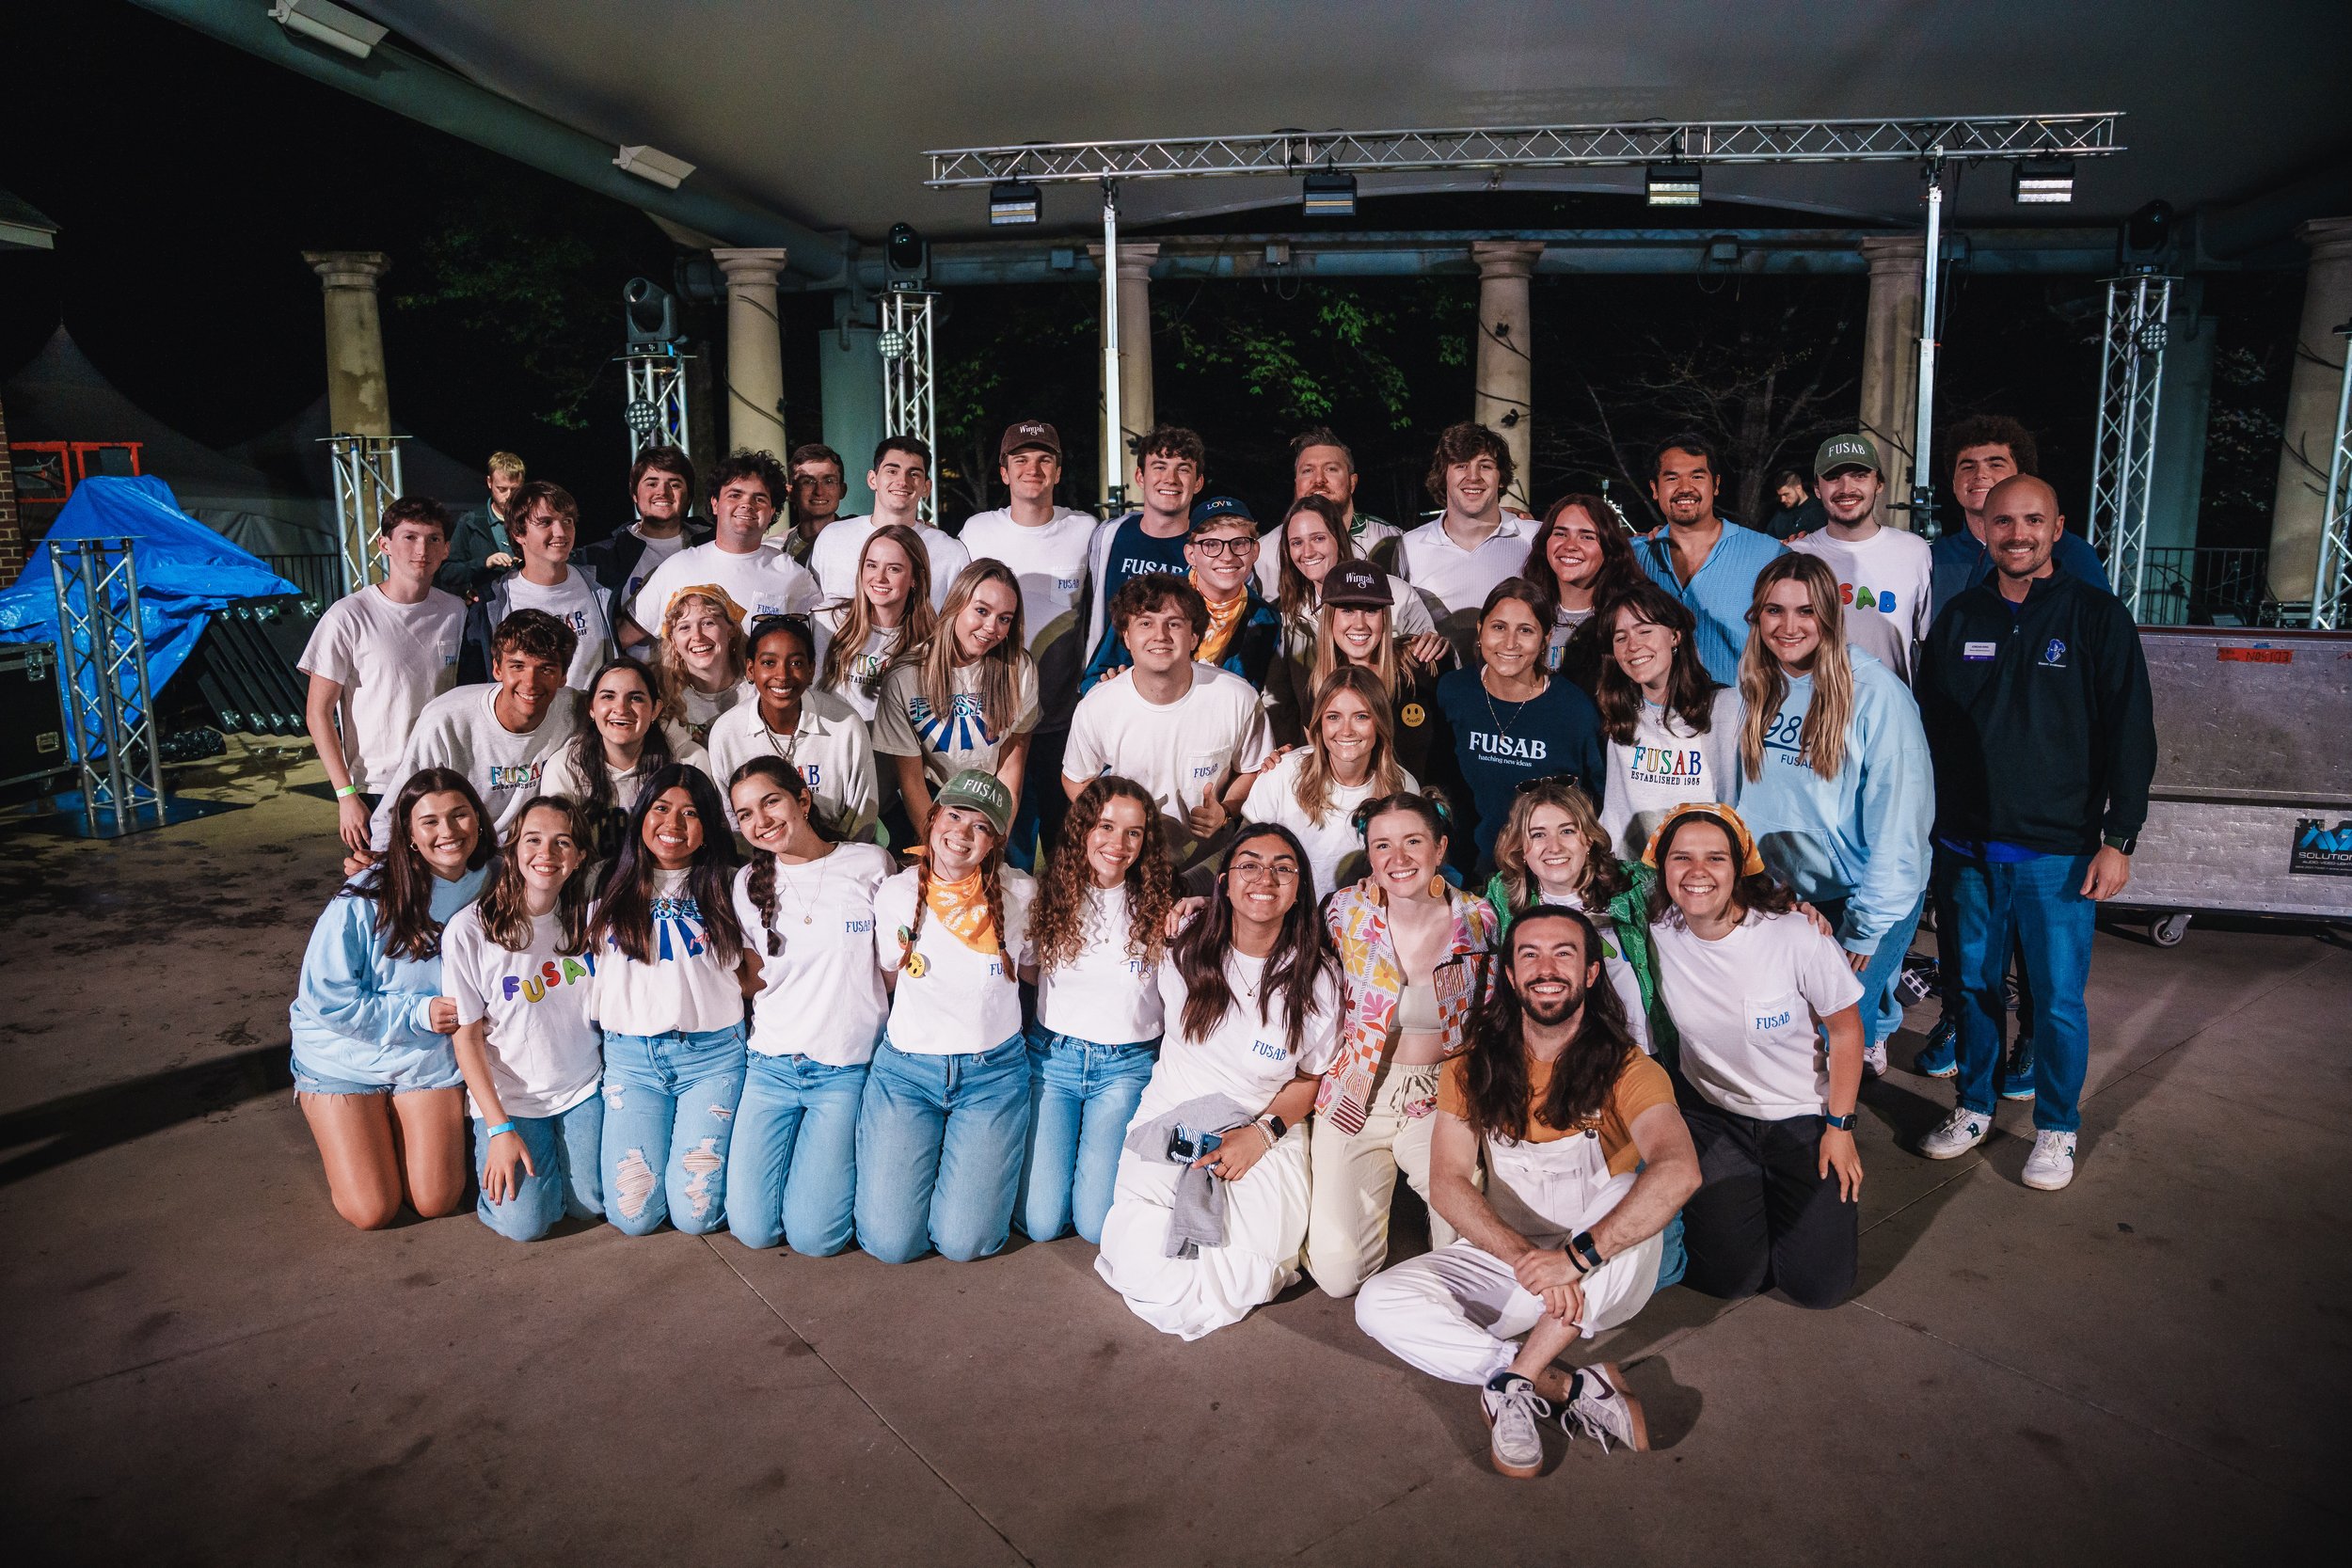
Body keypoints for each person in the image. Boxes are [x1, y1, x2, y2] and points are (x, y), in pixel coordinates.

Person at [1354, 905, 1699, 1475]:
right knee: (1377, 1303)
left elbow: (1680, 1170)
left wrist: (1575, 1258)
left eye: (1564, 953)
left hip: (1606, 1263)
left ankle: (1512, 1384)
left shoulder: (1628, 1067)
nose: (1547, 967)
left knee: (1626, 1189)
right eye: (1529, 954)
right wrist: (1529, 1261)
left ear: (1591, 973)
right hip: (1518, 1261)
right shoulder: (1471, 1066)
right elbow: (1447, 1182)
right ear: (1510, 976)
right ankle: (1559, 1382)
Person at [1915, 475, 2154, 1191]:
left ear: (2057, 527)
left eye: (2032, 520)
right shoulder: (1959, 616)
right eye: (2003, 521)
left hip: (2059, 851)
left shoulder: (2096, 615)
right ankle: (1975, 1106)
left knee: (2054, 1000)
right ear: (1983, 526)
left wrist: (2122, 836)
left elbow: (2131, 733)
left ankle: (2056, 1126)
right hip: (1966, 847)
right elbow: (1929, 731)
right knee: (1976, 989)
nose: (2016, 533)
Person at [1095, 824, 1343, 1339]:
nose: (1265, 878)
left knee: (1244, 1275)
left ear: (1299, 889)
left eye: (1282, 868)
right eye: (1249, 865)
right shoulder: (1184, 945)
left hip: (1262, 1126)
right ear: (1226, 881)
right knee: (1142, 1263)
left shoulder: (1318, 978)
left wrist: (1260, 1135)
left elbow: (1309, 1079)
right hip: (1172, 1114)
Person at [1648, 803, 1866, 1310]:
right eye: (1681, 858)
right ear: (1661, 869)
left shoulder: (1793, 935)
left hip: (1802, 1121)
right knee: (1730, 1279)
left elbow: (1847, 1032)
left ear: (1739, 867)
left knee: (1819, 1288)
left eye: (1715, 858)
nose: (1697, 872)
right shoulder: (1657, 928)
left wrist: (1840, 1127)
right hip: (1715, 1118)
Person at [1736, 554, 1932, 1078]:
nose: (1789, 626)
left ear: (1830, 614)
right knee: (1782, 1030)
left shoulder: (1877, 695)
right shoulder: (1755, 686)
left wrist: (1866, 928)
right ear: (1757, 617)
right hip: (1787, 896)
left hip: (1863, 898)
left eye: (1806, 611)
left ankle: (1832, 1141)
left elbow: (1901, 826)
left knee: (1831, 1034)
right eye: (1774, 611)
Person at [1310, 793, 1501, 1298]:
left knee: (1464, 1253)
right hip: (1356, 1088)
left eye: (1413, 842)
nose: (1398, 859)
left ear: (1439, 848)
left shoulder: (1479, 920)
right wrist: (1201, 899)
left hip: (1439, 1095)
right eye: (1382, 846)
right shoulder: (1342, 912)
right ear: (1368, 855)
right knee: (1338, 1276)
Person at [288, 768, 493, 1229]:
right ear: (408, 833)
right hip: (343, 1055)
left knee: (436, 1199)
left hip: (425, 1057)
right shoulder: (363, 895)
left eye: (460, 815)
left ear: (479, 820)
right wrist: (418, 1011)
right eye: (430, 822)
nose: (448, 832)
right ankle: (349, 1113)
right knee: (372, 1211)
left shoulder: (495, 880)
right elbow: (325, 998)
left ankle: (393, 1123)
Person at [858, 771, 1038, 1263]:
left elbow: (1034, 971)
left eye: (981, 826)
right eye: (955, 815)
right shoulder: (894, 892)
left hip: (992, 1077)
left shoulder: (1021, 894)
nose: (962, 832)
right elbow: (889, 977)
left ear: (996, 841)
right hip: (907, 1075)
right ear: (933, 816)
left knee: (965, 1242)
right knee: (891, 1244)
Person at [726, 757, 894, 1256]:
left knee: (815, 1237)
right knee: (753, 1230)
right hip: (771, 1067)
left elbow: (896, 964)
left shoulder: (869, 864)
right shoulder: (745, 884)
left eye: (770, 801)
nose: (761, 820)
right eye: (745, 814)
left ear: (802, 798)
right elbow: (756, 974)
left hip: (844, 1068)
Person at [589, 764, 750, 1236]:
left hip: (712, 1059)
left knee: (695, 1214)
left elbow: (755, 972)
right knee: (633, 1216)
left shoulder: (732, 885)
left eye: (690, 813)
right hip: (630, 1061)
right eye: (661, 809)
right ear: (641, 816)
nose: (673, 825)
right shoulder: (605, 885)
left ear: (709, 827)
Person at [1019, 776, 1178, 1244]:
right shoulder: (1044, 896)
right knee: (1041, 1223)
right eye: (1105, 827)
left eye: (1133, 832)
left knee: (1093, 1226)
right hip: (1054, 1061)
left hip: (1126, 1067)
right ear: (1083, 829)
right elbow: (1029, 973)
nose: (1117, 843)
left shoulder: (1163, 903)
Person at [442, 796, 604, 1243]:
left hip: (582, 1090)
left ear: (580, 857)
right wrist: (498, 1128)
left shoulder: (589, 921)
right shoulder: (470, 931)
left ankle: (552, 1180)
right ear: (513, 849)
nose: (546, 855)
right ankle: (507, 1180)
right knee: (526, 1225)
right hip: (512, 1101)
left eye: (562, 843)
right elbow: (467, 1040)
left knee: (589, 1207)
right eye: (533, 840)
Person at [1062, 573, 1273, 879]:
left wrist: (1226, 811)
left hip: (1207, 867)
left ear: (1195, 637)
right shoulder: (1097, 706)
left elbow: (1253, 768)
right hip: (1129, 865)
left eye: (1174, 623)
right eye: (1145, 623)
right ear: (1126, 637)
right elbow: (1075, 779)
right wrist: (1114, 825)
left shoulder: (1236, 697)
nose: (1160, 635)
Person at [960, 420, 1097, 862]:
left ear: (1058, 472)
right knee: (1001, 850)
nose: (1032, 469)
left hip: (1063, 719)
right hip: (997, 717)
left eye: (1044, 460)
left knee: (1070, 854)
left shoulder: (1086, 530)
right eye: (1020, 460)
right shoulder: (977, 532)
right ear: (1004, 472)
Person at [300, 496, 466, 856]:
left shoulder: (456, 612)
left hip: (441, 778)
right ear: (385, 545)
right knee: (383, 896)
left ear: (446, 549)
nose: (421, 549)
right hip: (377, 785)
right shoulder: (349, 616)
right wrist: (345, 795)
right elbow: (317, 712)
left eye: (433, 539)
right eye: (409, 537)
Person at [366, 610, 582, 855]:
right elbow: (393, 814)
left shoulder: (575, 709)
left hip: (533, 860)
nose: (530, 682)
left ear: (563, 676)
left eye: (546, 669)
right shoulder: (446, 720)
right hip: (464, 856)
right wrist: (379, 870)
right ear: (497, 669)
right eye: (517, 666)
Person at [1431, 578, 1607, 876]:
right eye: (1498, 627)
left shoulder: (1574, 709)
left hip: (1546, 873)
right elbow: (1436, 779)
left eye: (1525, 630)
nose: (1510, 643)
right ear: (1480, 630)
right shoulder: (1453, 691)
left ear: (1545, 638)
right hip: (1465, 870)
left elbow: (1597, 801)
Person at [1482, 779, 1670, 1054]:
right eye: (1537, 835)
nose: (1554, 847)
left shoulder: (1634, 886)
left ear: (1589, 840)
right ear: (1522, 849)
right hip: (1551, 1059)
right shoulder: (1503, 898)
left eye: (1567, 831)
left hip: (1638, 1055)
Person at [874, 561, 1039, 839]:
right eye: (982, 611)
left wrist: (996, 842)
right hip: (934, 798)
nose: (991, 627)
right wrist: (936, 845)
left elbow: (1011, 764)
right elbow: (912, 781)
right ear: (956, 604)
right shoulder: (905, 676)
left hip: (997, 797)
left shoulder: (1018, 669)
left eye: (1004, 618)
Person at [1593, 580, 1743, 861]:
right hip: (1627, 879)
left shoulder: (1726, 707)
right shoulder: (1615, 708)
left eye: (1644, 631)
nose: (1633, 646)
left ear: (1675, 636)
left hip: (1697, 876)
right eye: (1620, 637)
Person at [1082, 496, 1283, 701]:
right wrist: (1108, 684)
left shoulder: (1267, 620)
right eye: (1211, 545)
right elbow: (1093, 679)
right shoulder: (1151, 601)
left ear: (1255, 551)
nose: (1227, 556)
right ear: (1190, 555)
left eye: (1239, 544)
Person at [1243, 668, 1416, 898]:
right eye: (1333, 717)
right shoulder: (1281, 773)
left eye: (1361, 716)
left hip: (1361, 926)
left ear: (1380, 722)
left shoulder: (1404, 788)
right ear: (1319, 723)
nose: (1346, 731)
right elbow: (1239, 856)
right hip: (1286, 922)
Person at [1630, 432, 1787, 685]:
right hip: (1655, 717)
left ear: (1715, 484)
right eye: (1672, 478)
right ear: (1654, 489)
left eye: (1697, 476)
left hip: (1742, 715)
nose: (1684, 488)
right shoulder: (1636, 556)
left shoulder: (1768, 554)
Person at [708, 616, 880, 843]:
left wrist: (836, 861)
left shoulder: (845, 724)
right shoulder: (726, 732)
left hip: (837, 858)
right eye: (769, 663)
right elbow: (732, 822)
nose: (783, 676)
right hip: (761, 863)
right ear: (750, 669)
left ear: (811, 670)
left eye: (796, 663)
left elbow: (862, 814)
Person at [626, 451, 819, 647]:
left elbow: (816, 649)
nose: (747, 504)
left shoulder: (794, 576)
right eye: (735, 495)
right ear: (715, 504)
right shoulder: (677, 567)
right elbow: (621, 637)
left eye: (759, 498)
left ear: (771, 512)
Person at [1785, 435, 1933, 685]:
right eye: (1833, 478)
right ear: (1817, 489)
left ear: (1879, 484)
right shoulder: (1795, 555)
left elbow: (1925, 640)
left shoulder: (1914, 551)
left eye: (1859, 475)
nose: (1846, 488)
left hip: (1890, 712)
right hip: (1815, 711)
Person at [1303, 562, 1459, 795]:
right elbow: (1320, 766)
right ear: (1329, 618)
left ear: (1385, 616)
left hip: (1423, 813)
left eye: (1371, 610)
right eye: (1347, 610)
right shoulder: (1318, 689)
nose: (1359, 624)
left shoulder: (1425, 664)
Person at [1929, 415, 2106, 618]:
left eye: (1995, 464)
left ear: (2023, 476)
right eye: (1968, 467)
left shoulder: (2069, 552)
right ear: (1953, 484)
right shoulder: (1938, 556)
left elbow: (2100, 625)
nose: (1980, 474)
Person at [1396, 422, 1537, 657]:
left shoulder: (1533, 537)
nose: (1473, 477)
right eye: (1461, 466)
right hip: (1437, 688)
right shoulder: (1409, 546)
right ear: (1444, 476)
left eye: (1486, 466)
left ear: (1501, 478)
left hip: (1518, 684)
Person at [544, 657, 702, 863]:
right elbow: (557, 853)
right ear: (591, 707)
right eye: (608, 696)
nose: (621, 708)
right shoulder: (564, 768)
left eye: (635, 698)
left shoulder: (687, 760)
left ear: (655, 709)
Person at [461, 481, 616, 690]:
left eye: (567, 521)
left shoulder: (601, 587)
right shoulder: (492, 603)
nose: (561, 532)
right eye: (545, 522)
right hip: (527, 723)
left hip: (589, 721)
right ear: (518, 532)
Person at [1079, 424, 1207, 664]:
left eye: (1183, 469)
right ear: (1140, 476)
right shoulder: (1109, 535)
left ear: (1198, 482)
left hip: (1176, 684)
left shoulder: (1206, 548)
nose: (1171, 479)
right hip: (1109, 680)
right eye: (1160, 467)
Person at [807, 436, 970, 612]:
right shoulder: (833, 538)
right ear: (872, 479)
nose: (902, 481)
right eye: (892, 471)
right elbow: (811, 606)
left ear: (926, 487)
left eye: (914, 474)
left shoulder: (951, 552)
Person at [1522, 492, 1644, 694]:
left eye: (1587, 536)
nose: (1570, 546)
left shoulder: (1631, 618)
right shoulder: (1526, 611)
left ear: (1609, 548)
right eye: (1560, 534)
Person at [813, 523, 934, 723]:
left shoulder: (930, 640)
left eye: (894, 569)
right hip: (831, 744)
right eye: (871, 565)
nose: (879, 578)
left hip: (893, 750)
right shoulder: (826, 620)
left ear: (915, 578)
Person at [1260, 425, 1404, 583]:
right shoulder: (1266, 551)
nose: (1319, 479)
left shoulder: (1393, 541)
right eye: (1308, 471)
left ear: (1352, 482)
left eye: (1331, 469)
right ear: (1296, 484)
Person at [582, 446, 710, 610]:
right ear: (634, 494)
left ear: (689, 496)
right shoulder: (605, 557)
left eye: (674, 484)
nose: (663, 492)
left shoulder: (710, 543)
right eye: (651, 484)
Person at [652, 586, 751, 749]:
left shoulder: (756, 685)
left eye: (707, 623)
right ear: (673, 641)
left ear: (731, 630)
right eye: (684, 627)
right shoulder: (660, 691)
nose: (697, 636)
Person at [439, 451, 525, 596]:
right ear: (489, 482)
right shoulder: (470, 522)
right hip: (488, 607)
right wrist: (485, 563)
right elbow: (448, 572)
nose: (509, 496)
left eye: (515, 489)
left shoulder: (533, 519)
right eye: (502, 489)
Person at [773, 442, 851, 565]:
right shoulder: (774, 550)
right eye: (808, 482)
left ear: (842, 490)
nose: (819, 491)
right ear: (791, 493)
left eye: (829, 481)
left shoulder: (862, 542)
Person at [1763, 467, 1824, 542]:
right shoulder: (1781, 511)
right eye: (1780, 496)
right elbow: (1768, 535)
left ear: (1798, 488)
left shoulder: (1819, 509)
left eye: (1786, 494)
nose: (1782, 500)